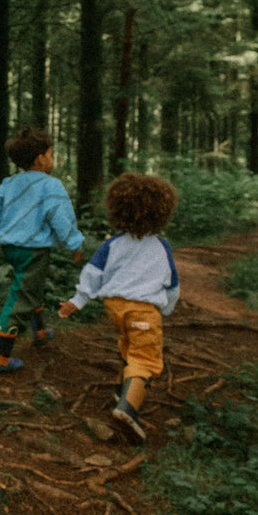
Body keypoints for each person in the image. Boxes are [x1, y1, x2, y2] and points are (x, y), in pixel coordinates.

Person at [58, 172, 179, 444]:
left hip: (114, 307)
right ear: (162, 211)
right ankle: (127, 409)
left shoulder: (112, 244)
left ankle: (121, 389)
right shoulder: (161, 246)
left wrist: (76, 302)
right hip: (144, 310)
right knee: (146, 356)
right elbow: (173, 285)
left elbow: (92, 274)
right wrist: (167, 309)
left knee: (129, 343)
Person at [0, 126, 84, 373]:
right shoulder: (50, 186)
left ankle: (40, 332)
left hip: (11, 248)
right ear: (40, 159)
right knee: (22, 296)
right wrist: (74, 244)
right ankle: (1, 357)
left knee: (30, 287)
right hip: (33, 251)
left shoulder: (8, 184)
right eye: (51, 153)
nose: (52, 158)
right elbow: (62, 218)